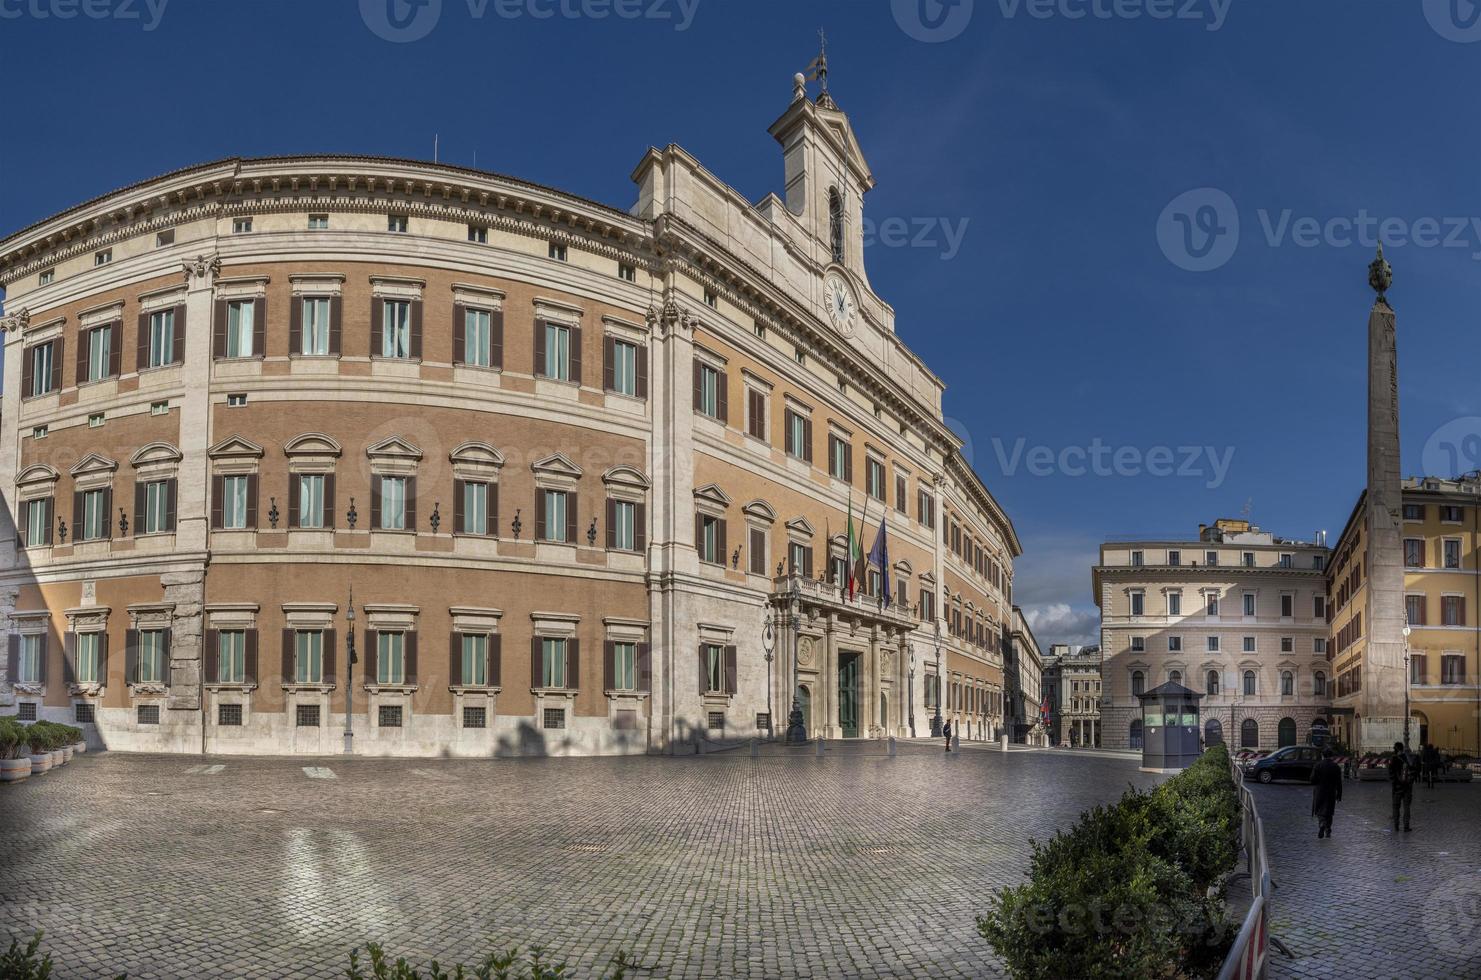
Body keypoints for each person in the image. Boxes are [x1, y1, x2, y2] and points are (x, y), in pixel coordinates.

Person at [1310, 748, 1343, 838]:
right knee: (1329, 811)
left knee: (1319, 811)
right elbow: (1339, 783)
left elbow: (1312, 780)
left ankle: (1322, 823)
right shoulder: (1336, 767)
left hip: (1319, 791)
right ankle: (1328, 830)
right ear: (1331, 756)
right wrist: (1339, 795)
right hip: (1331, 792)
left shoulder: (1318, 765)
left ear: (1322, 755)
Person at [1388, 741, 1416, 832]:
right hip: (1407, 787)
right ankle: (1406, 826)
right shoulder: (1406, 758)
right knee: (1406, 807)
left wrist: (1394, 783)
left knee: (1396, 807)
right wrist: (1409, 782)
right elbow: (1412, 770)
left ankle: (1396, 826)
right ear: (1402, 748)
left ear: (1395, 749)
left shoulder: (1393, 759)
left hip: (1396, 788)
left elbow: (1391, 774)